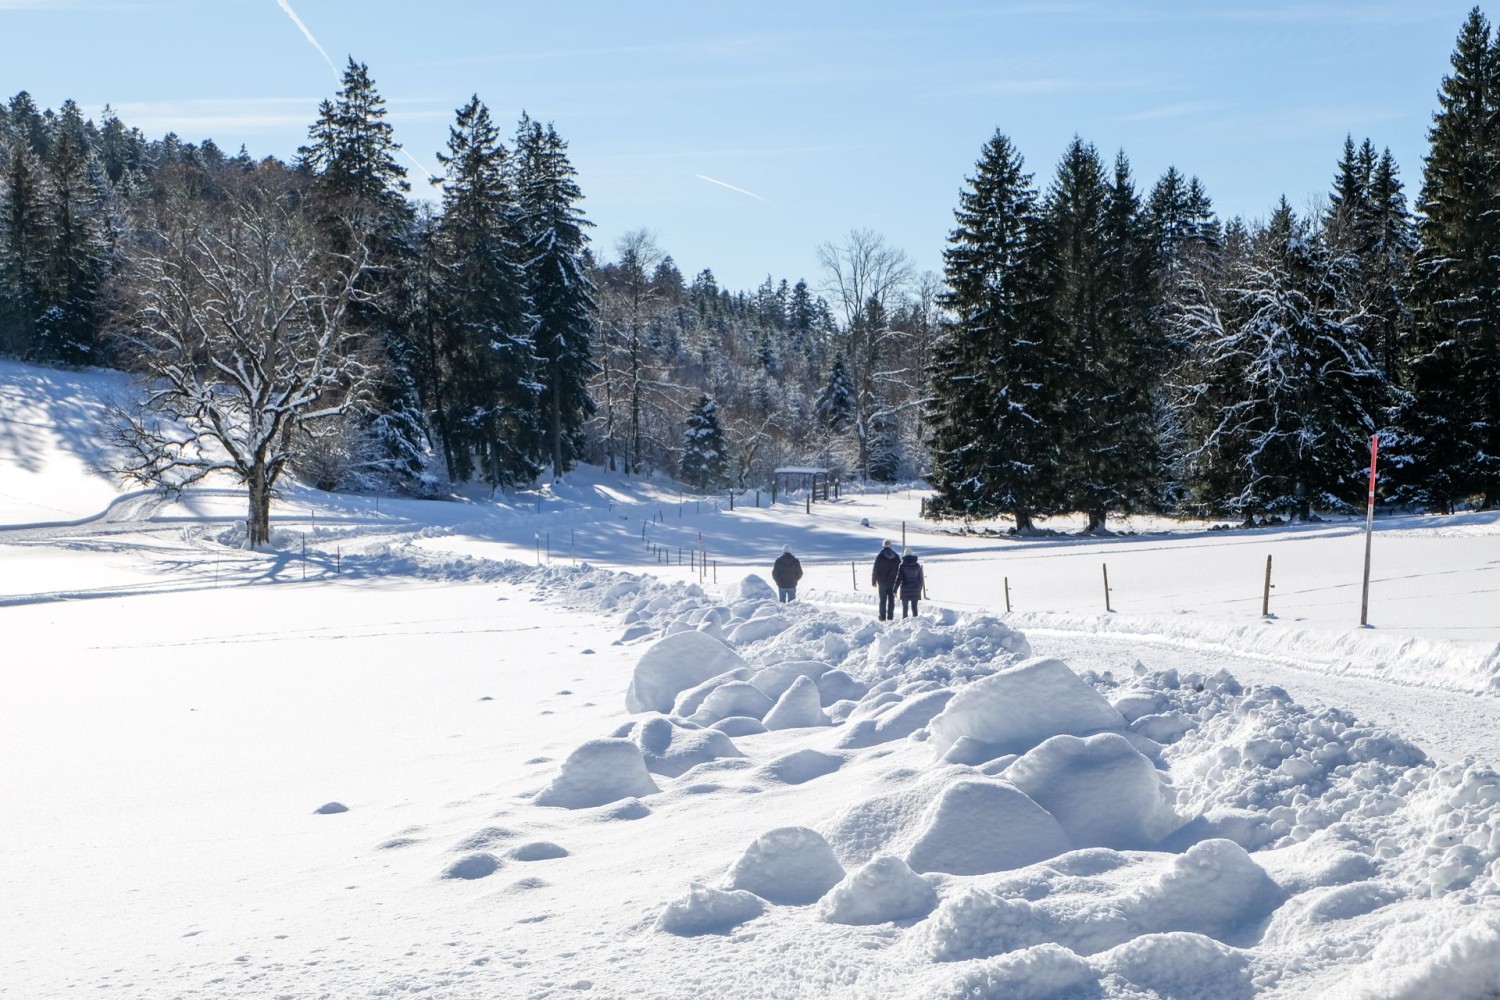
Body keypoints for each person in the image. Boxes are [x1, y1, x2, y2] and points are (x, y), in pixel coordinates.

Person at [871, 539, 901, 621]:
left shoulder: (880, 556)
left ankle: (882, 617)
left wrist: (874, 580)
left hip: (882, 582)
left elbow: (875, 568)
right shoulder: (896, 556)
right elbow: (900, 569)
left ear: (883, 546)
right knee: (891, 600)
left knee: (883, 600)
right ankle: (890, 617)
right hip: (892, 582)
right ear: (891, 546)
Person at [898, 547, 925, 618]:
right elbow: (921, 578)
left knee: (905, 608)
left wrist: (895, 589)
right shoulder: (917, 565)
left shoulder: (902, 566)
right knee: (914, 607)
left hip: (905, 589)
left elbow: (899, 579)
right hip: (915, 589)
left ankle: (904, 622)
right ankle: (915, 621)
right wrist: (920, 588)